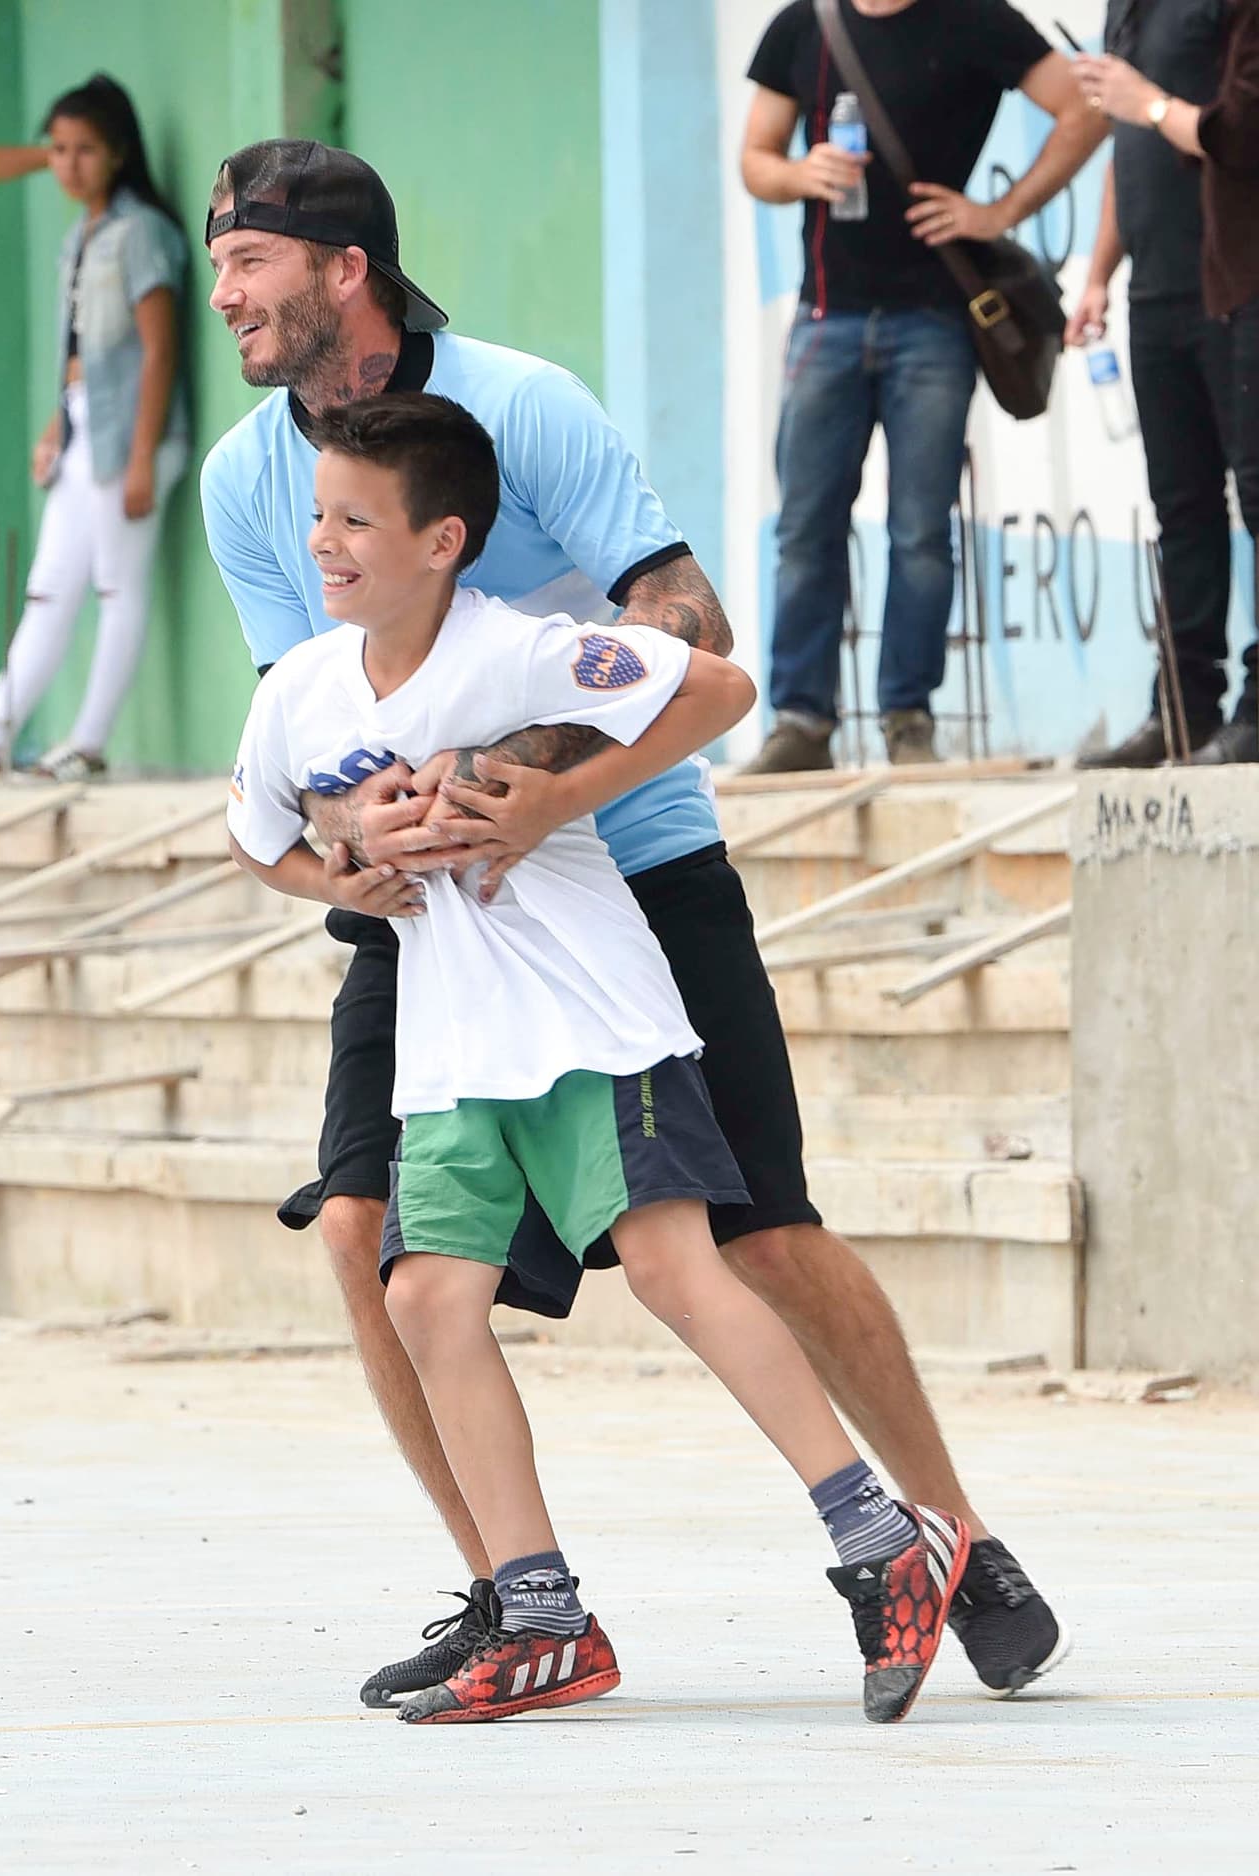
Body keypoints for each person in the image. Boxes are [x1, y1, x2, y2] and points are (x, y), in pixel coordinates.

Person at [200, 137, 1068, 1708]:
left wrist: (526, 788)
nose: (223, 296)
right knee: (362, 1236)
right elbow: (297, 718)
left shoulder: (524, 405)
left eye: (246, 262)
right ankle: (513, 1596)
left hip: (630, 863)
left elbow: (687, 623)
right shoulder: (245, 480)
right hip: (431, 918)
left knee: (760, 1238)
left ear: (344, 270)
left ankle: (954, 1536)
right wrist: (352, 833)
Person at [739, 0, 1102, 773]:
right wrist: (801, 173)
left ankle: (909, 717)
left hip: (933, 324)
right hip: (826, 318)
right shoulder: (804, 25)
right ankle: (801, 722)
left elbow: (1081, 111)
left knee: (921, 536)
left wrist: (1001, 211)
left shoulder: (973, 18)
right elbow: (755, 158)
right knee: (805, 533)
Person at [0, 76, 188, 782]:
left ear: (120, 153)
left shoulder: (143, 234)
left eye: (85, 150)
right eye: (59, 149)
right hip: (80, 432)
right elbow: (80, 356)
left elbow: (159, 350)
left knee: (116, 586)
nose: (68, 164)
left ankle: (89, 742)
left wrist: (140, 459)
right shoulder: (83, 234)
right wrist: (52, 428)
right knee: (47, 585)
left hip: (132, 437)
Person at [1076, 5, 1259, 765]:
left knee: (1255, 495)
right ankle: (1182, 712)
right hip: (1156, 294)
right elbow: (1130, 148)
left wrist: (1146, 102)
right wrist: (1097, 274)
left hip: (1239, 281)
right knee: (1181, 512)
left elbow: (1238, 133)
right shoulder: (1129, 6)